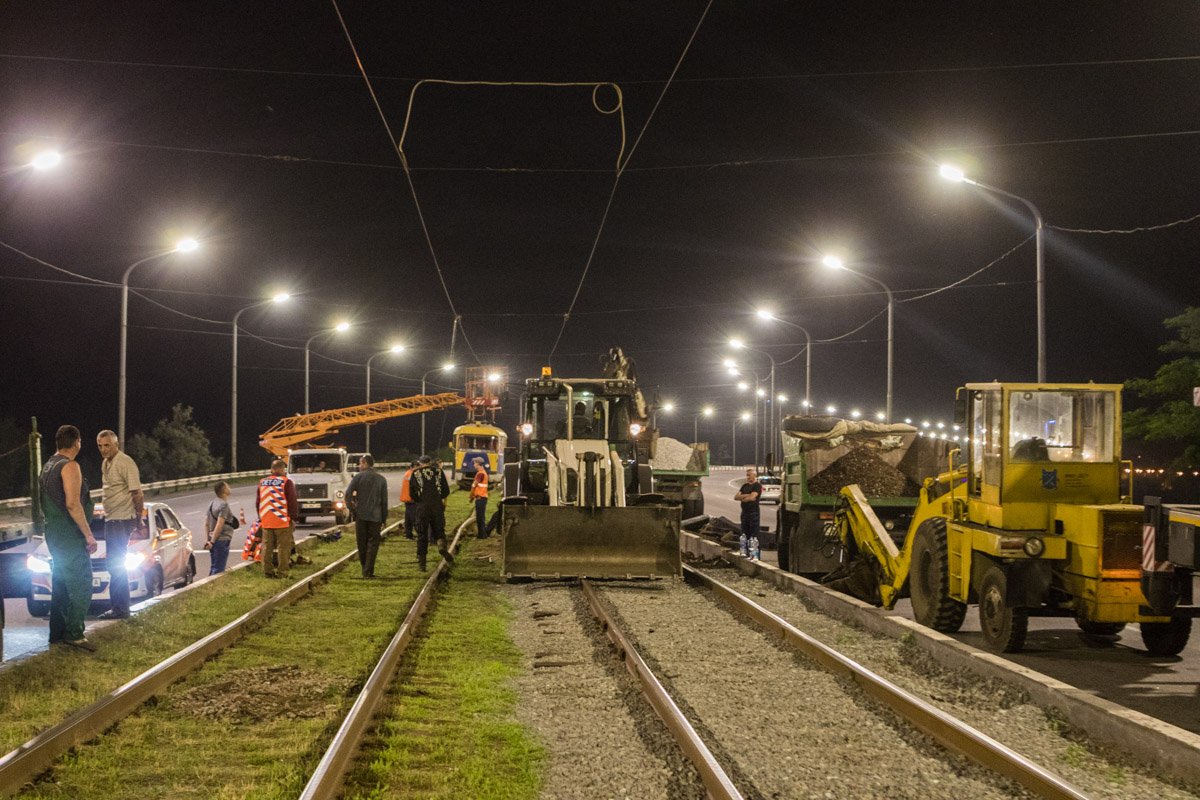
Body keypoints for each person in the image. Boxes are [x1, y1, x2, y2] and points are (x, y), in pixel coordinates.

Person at [40, 425, 98, 652]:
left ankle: (57, 635)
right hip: (68, 534)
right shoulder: (69, 466)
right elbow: (72, 504)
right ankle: (74, 634)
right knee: (83, 584)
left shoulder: (48, 465)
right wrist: (89, 535)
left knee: (61, 584)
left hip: (53, 533)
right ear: (77, 443)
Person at [95, 430, 144, 619]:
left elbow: (137, 493)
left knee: (116, 564)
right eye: (100, 446)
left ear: (116, 444)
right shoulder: (106, 463)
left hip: (122, 519)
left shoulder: (125, 462)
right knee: (113, 564)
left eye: (107, 445)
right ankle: (117, 606)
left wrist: (139, 518)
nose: (103, 449)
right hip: (111, 518)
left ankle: (121, 608)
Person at [347, 455, 389, 578]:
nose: (359, 466)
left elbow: (348, 495)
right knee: (373, 543)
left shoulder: (358, 478)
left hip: (361, 515)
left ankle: (364, 568)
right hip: (376, 517)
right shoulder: (381, 479)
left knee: (362, 543)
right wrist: (384, 518)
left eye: (360, 464)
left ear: (365, 463)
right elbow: (384, 501)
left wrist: (353, 510)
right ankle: (368, 570)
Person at [257, 458, 298, 578]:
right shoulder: (286, 482)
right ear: (281, 469)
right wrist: (293, 517)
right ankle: (282, 573)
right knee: (283, 548)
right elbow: (292, 501)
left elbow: (258, 502)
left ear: (271, 469)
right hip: (282, 520)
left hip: (266, 520)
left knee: (266, 548)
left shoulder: (262, 482)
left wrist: (261, 518)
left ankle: (267, 572)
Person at [410, 454, 451, 571]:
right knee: (439, 530)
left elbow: (412, 493)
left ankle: (422, 564)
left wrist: (419, 500)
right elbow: (446, 491)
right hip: (437, 506)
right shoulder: (438, 472)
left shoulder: (416, 473)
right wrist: (438, 498)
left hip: (422, 507)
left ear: (420, 463)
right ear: (430, 462)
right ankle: (441, 546)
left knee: (422, 534)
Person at [205, 481, 241, 575]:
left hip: (212, 539)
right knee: (218, 570)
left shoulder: (212, 503)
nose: (229, 488)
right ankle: (214, 588)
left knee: (214, 566)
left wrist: (208, 540)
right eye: (227, 486)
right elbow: (219, 524)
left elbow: (206, 524)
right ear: (224, 490)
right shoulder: (224, 505)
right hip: (221, 540)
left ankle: (209, 586)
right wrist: (212, 542)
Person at [733, 467, 763, 544]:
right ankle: (745, 553)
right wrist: (748, 495)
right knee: (744, 534)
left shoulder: (757, 486)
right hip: (744, 513)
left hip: (753, 513)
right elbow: (736, 497)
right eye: (747, 475)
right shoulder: (744, 486)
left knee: (754, 535)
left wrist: (743, 497)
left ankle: (754, 554)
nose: (748, 477)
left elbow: (752, 497)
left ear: (754, 475)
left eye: (749, 475)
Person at [470, 456, 490, 539]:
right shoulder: (483, 472)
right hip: (482, 498)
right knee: (481, 517)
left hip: (480, 498)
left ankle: (481, 536)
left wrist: (471, 496)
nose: (474, 465)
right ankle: (483, 534)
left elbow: (474, 485)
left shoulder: (480, 473)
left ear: (478, 464)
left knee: (480, 518)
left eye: (474, 463)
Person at [400, 459, 417, 539]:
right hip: (411, 498)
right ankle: (419, 533)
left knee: (408, 517)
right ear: (413, 467)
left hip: (406, 498)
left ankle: (408, 534)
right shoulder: (413, 474)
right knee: (414, 517)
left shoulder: (407, 473)